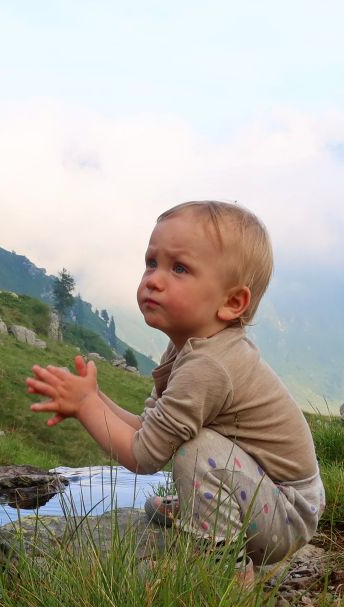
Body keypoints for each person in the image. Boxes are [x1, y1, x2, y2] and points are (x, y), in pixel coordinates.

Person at [25, 201, 324, 584]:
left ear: (232, 302)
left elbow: (144, 455)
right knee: (195, 446)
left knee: (196, 451)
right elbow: (151, 429)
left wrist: (85, 407)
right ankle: (204, 511)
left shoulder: (209, 366)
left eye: (179, 268)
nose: (154, 279)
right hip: (269, 495)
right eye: (152, 262)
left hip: (288, 513)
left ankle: (227, 575)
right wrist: (95, 398)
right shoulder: (188, 348)